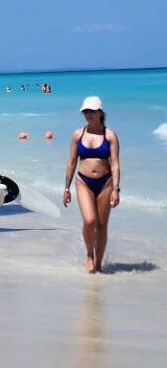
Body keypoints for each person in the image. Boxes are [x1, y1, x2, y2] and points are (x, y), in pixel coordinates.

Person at [63, 96, 120, 273]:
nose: (87, 114)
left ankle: (98, 263)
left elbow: (115, 164)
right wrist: (66, 187)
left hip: (106, 183)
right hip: (83, 182)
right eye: (85, 111)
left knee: (102, 225)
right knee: (90, 220)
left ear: (100, 112)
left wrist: (116, 189)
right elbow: (72, 161)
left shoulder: (109, 135)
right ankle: (89, 254)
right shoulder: (78, 134)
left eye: (91, 111)